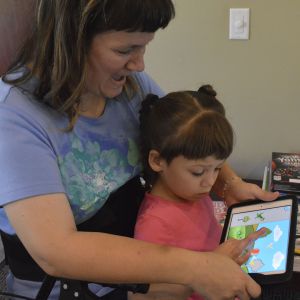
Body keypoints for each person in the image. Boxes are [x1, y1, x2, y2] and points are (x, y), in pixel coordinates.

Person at [0, 0, 279, 299]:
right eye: (124, 51)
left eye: (144, 47)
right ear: (70, 39)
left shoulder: (129, 86)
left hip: (147, 258)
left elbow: (185, 135)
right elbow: (56, 251)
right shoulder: (14, 118)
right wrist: (198, 268)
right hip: (73, 288)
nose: (139, 65)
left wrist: (231, 183)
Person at [129, 85, 267, 300]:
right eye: (198, 172)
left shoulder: (192, 194)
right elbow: (147, 295)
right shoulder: (155, 223)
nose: (210, 182)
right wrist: (212, 265)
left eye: (218, 169)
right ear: (157, 161)